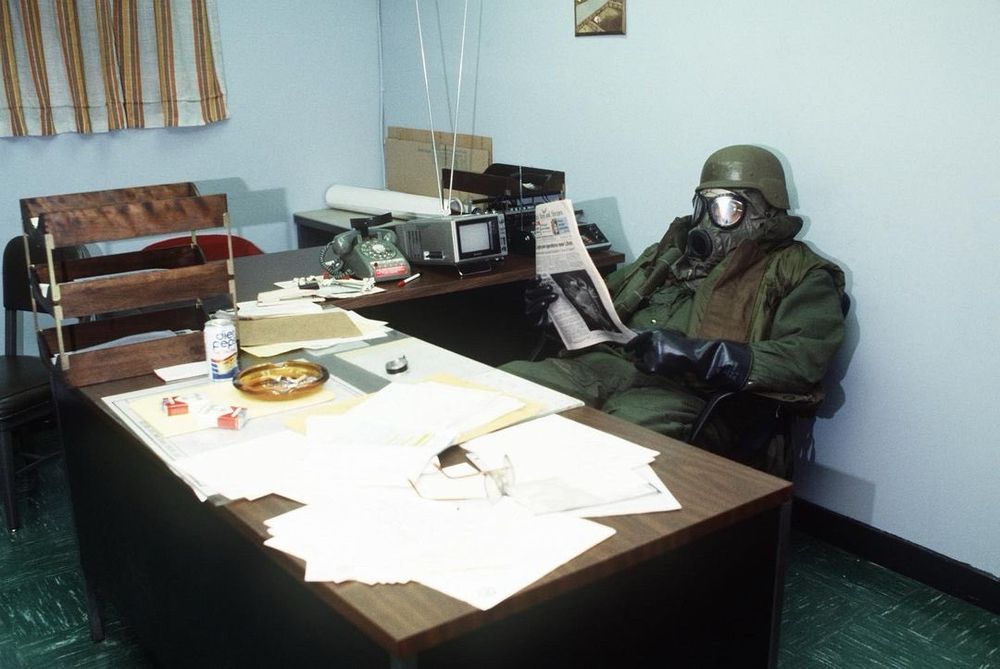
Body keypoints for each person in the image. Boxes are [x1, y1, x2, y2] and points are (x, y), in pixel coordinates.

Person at [501, 145, 846, 476]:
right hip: (602, 365)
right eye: (704, 206)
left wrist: (697, 354)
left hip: (688, 394)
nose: (709, 222)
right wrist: (554, 314)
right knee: (503, 391)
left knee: (611, 446)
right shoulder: (669, 252)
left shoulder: (800, 273)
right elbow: (604, 310)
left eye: (726, 209)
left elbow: (802, 360)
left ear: (764, 212)